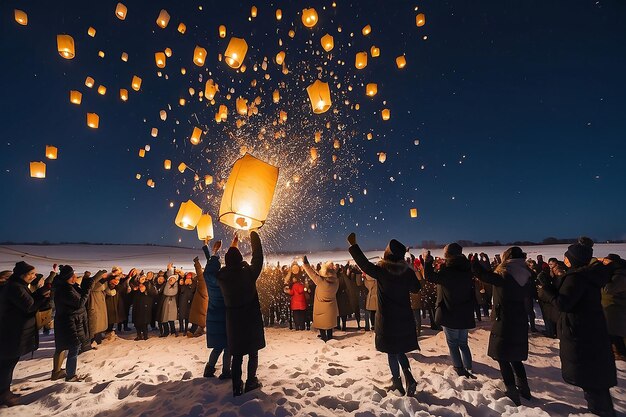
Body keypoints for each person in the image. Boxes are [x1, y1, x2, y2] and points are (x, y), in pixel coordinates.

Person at [539, 238, 617, 417]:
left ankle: (600, 412)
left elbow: (563, 303)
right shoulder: (588, 275)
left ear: (572, 260)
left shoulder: (577, 278)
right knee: (596, 381)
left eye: (566, 257)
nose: (563, 259)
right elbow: (572, 296)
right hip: (591, 331)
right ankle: (603, 409)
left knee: (591, 381)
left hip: (581, 333)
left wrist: (546, 288)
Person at [347, 233, 420, 396]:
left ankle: (397, 382)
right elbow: (416, 288)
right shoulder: (406, 272)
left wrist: (354, 246)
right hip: (404, 318)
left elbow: (365, 265)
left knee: (392, 351)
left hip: (387, 319)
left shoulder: (382, 269)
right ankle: (408, 376)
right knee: (400, 349)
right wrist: (410, 269)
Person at [472, 247, 533, 405]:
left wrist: (474, 262)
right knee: (516, 357)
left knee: (502, 356)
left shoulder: (505, 274)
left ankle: (512, 390)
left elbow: (483, 275)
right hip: (519, 317)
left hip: (505, 319)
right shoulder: (526, 273)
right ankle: (524, 389)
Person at [217, 232, 265, 397]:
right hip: (250, 320)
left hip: (234, 323)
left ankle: (236, 386)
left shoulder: (221, 277)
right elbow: (258, 257)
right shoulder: (248, 273)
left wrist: (234, 243)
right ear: (240, 259)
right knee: (253, 352)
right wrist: (254, 235)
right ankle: (251, 381)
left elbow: (229, 263)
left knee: (236, 355)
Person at [0, 262, 51, 406]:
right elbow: (29, 307)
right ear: (24, 275)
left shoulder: (18, 286)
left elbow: (27, 302)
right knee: (7, 364)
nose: (34, 276)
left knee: (8, 364)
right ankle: (3, 394)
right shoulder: (15, 287)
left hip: (14, 331)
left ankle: (5, 391)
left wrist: (39, 295)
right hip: (12, 332)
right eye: (32, 274)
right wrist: (41, 296)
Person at [423, 243, 476, 378]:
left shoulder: (448, 271)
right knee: (463, 343)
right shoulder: (466, 268)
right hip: (464, 312)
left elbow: (429, 277)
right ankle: (468, 367)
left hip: (450, 312)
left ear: (448, 254)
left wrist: (427, 262)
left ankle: (459, 368)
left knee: (453, 343)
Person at [52, 266, 101, 382]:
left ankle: (59, 372)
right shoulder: (66, 290)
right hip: (70, 323)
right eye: (73, 275)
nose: (75, 277)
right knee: (74, 348)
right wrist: (88, 288)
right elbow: (80, 302)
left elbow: (80, 293)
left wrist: (88, 281)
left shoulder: (68, 287)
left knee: (67, 347)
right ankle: (70, 375)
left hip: (71, 321)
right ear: (68, 277)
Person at [202, 239, 232, 379]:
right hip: (226, 316)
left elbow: (209, 269)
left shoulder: (210, 280)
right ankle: (226, 371)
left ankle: (209, 369)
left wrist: (213, 253)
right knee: (228, 346)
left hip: (214, 316)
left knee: (218, 346)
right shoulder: (227, 283)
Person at [301, 258, 339, 342]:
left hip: (321, 306)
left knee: (322, 323)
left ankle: (324, 337)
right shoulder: (336, 281)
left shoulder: (321, 282)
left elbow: (312, 274)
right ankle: (329, 336)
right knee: (329, 322)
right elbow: (319, 276)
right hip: (331, 306)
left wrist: (306, 263)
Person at [601, 254, 626, 361]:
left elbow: (609, 289)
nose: (604, 264)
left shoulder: (621, 274)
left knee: (617, 333)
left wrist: (602, 278)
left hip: (617, 308)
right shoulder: (614, 273)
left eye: (606, 262)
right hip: (609, 307)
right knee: (611, 332)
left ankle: (621, 353)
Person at [131, 275, 157, 341]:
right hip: (137, 307)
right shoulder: (136, 287)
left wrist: (147, 284)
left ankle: (145, 335)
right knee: (137, 322)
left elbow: (154, 293)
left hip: (145, 307)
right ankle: (138, 335)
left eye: (143, 278)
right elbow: (131, 285)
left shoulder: (149, 286)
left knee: (144, 322)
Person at [189, 256, 209, 337]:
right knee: (199, 319)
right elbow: (199, 271)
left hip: (201, 302)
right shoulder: (203, 280)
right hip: (201, 303)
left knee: (200, 319)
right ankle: (191, 333)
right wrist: (197, 262)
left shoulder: (203, 280)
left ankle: (197, 331)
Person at [87, 271, 109, 345]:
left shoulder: (101, 286)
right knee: (96, 324)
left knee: (100, 324)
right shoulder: (94, 286)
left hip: (100, 305)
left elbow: (105, 288)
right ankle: (93, 340)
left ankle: (98, 338)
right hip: (95, 306)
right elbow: (96, 287)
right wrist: (103, 279)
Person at [284, 264, 307, 331]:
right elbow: (302, 290)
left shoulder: (294, 286)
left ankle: (297, 327)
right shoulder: (301, 285)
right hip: (302, 302)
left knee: (296, 315)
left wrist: (287, 291)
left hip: (295, 303)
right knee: (302, 315)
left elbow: (291, 293)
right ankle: (302, 327)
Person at [160, 268, 179, 337]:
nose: (171, 281)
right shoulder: (167, 284)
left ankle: (173, 331)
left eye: (173, 280)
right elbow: (166, 292)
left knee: (171, 318)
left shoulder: (176, 285)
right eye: (170, 279)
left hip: (173, 303)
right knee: (164, 318)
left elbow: (173, 292)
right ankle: (166, 332)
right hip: (166, 303)